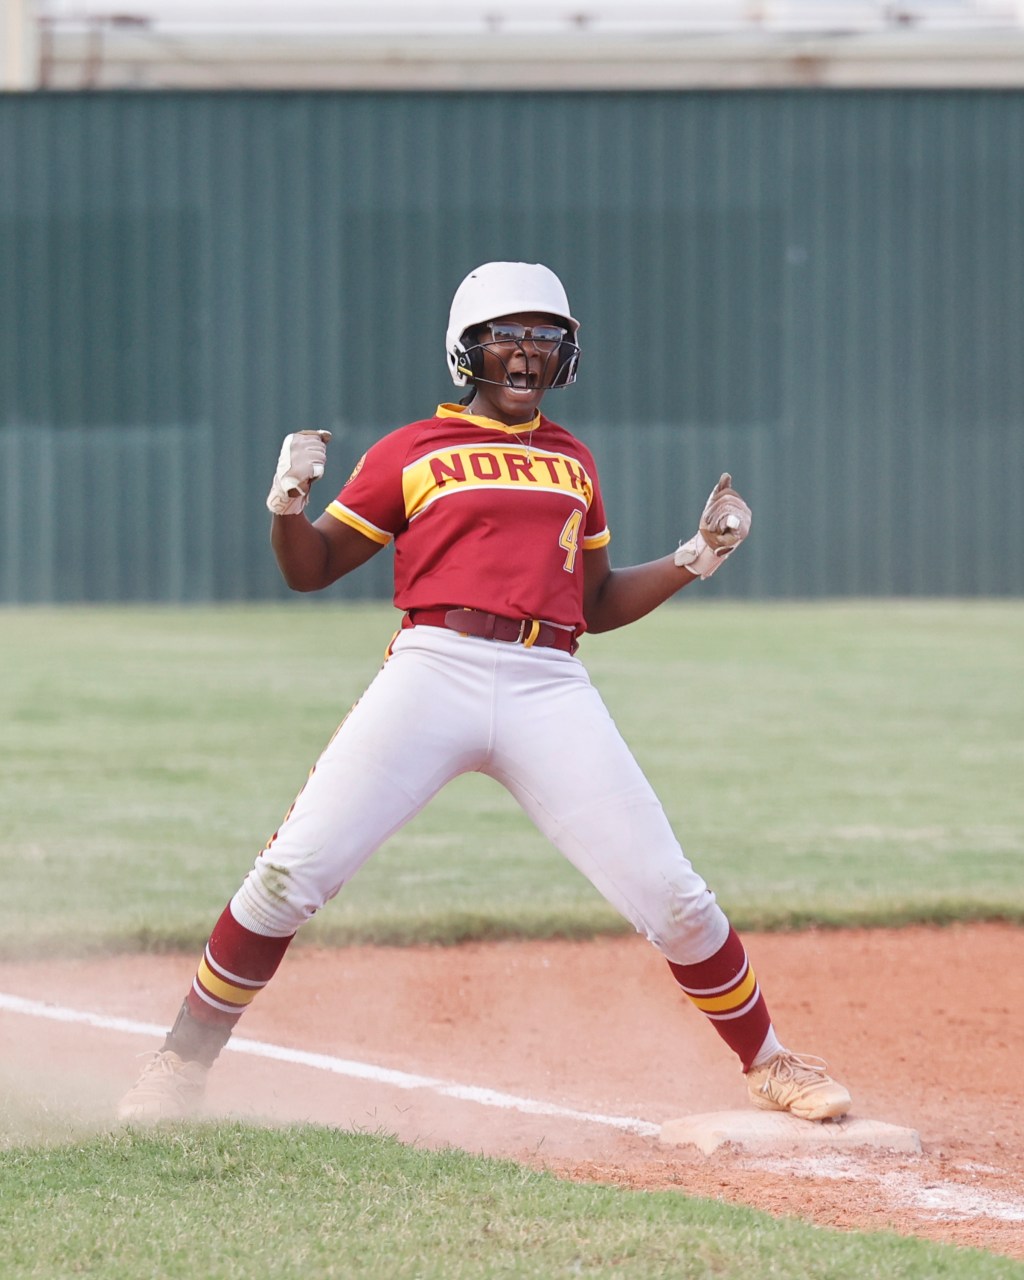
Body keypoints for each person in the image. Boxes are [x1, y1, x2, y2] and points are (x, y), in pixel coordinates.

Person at [118, 261, 851, 1125]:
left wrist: (697, 557)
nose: (527, 352)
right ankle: (178, 1066)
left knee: (673, 893)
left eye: (547, 337)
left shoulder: (575, 460)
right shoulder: (410, 451)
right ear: (466, 350)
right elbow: (311, 569)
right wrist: (286, 506)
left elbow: (595, 603)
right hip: (435, 666)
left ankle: (768, 1062)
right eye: (507, 334)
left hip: (549, 679)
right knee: (288, 876)